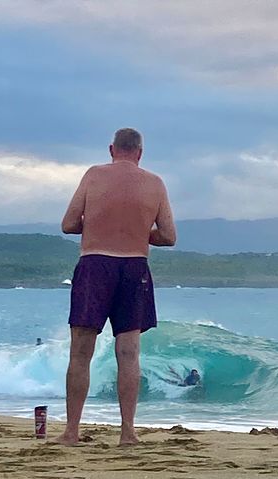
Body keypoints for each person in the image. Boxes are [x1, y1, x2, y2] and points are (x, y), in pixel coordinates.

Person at [55, 127, 176, 446]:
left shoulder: (94, 176)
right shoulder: (155, 183)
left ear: (112, 149)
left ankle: (71, 432)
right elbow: (168, 235)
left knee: (81, 351)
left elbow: (68, 224)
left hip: (95, 265)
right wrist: (137, 230)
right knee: (129, 352)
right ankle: (127, 432)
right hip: (134, 267)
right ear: (140, 152)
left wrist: (98, 224)